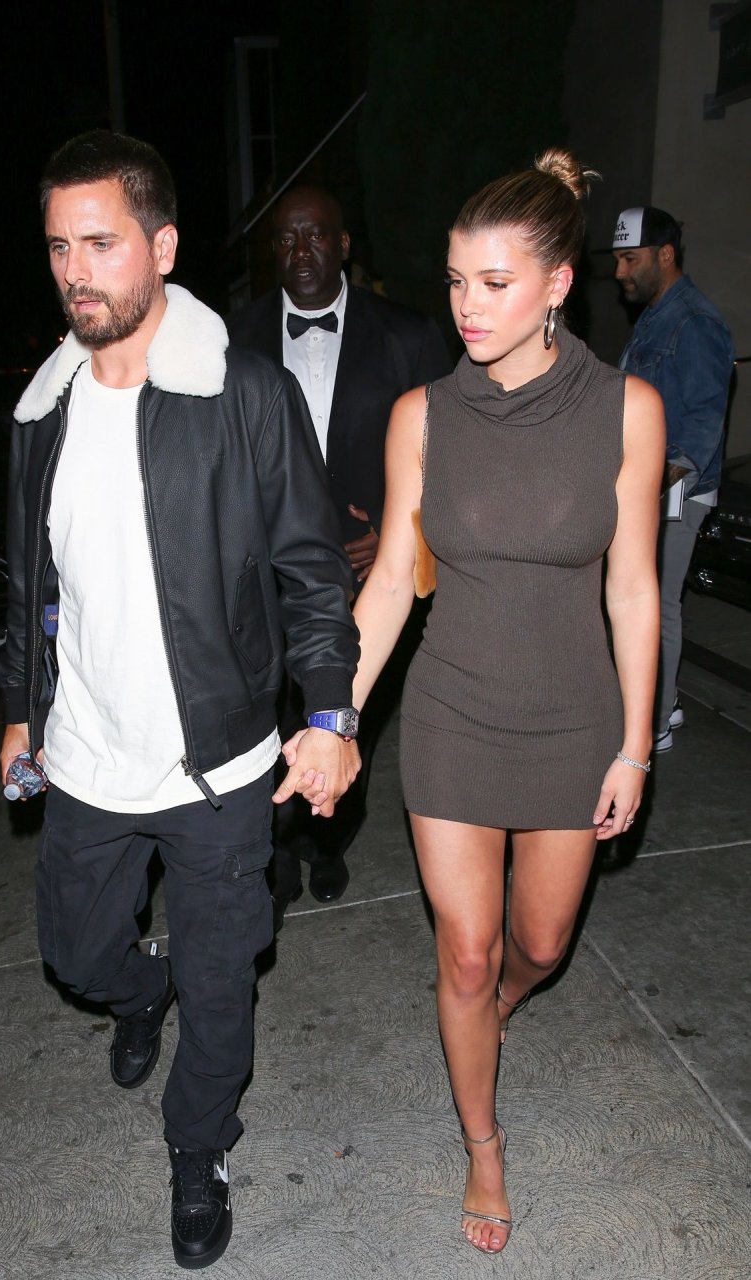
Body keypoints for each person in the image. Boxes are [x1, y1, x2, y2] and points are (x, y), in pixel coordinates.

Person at [285, 149, 665, 1254]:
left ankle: (497, 1008)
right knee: (465, 950)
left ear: (557, 284)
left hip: (573, 720)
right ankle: (482, 1142)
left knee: (536, 945)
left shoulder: (627, 409)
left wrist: (633, 746)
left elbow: (634, 589)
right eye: (456, 281)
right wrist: (333, 716)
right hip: (451, 716)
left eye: (494, 283)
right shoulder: (423, 415)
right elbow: (389, 586)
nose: (467, 306)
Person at [0, 130, 361, 1271]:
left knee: (222, 983)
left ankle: (197, 1151)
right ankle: (135, 988)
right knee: (76, 956)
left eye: (100, 243)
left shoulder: (242, 394)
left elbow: (312, 575)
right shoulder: (41, 412)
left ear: (160, 247)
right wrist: (20, 708)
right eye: (59, 246)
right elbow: (28, 585)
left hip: (221, 763)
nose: (76, 270)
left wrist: (330, 714)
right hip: (85, 757)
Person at [227, 184, 450, 919]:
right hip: (262, 570)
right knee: (269, 710)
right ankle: (277, 846)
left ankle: (330, 839)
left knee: (351, 707)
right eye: (286, 239)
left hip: (367, 571)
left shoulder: (408, 335)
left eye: (315, 235)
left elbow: (447, 456)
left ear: (344, 244)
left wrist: (394, 530)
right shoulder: (234, 336)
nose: (300, 251)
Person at [612, 207, 734, 750]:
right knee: (641, 598)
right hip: (650, 487)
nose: (620, 272)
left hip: (675, 493)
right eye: (618, 260)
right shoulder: (658, 316)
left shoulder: (695, 322)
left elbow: (702, 425)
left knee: (654, 605)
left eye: (630, 259)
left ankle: (654, 723)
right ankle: (668, 703)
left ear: (665, 255)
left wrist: (649, 490)